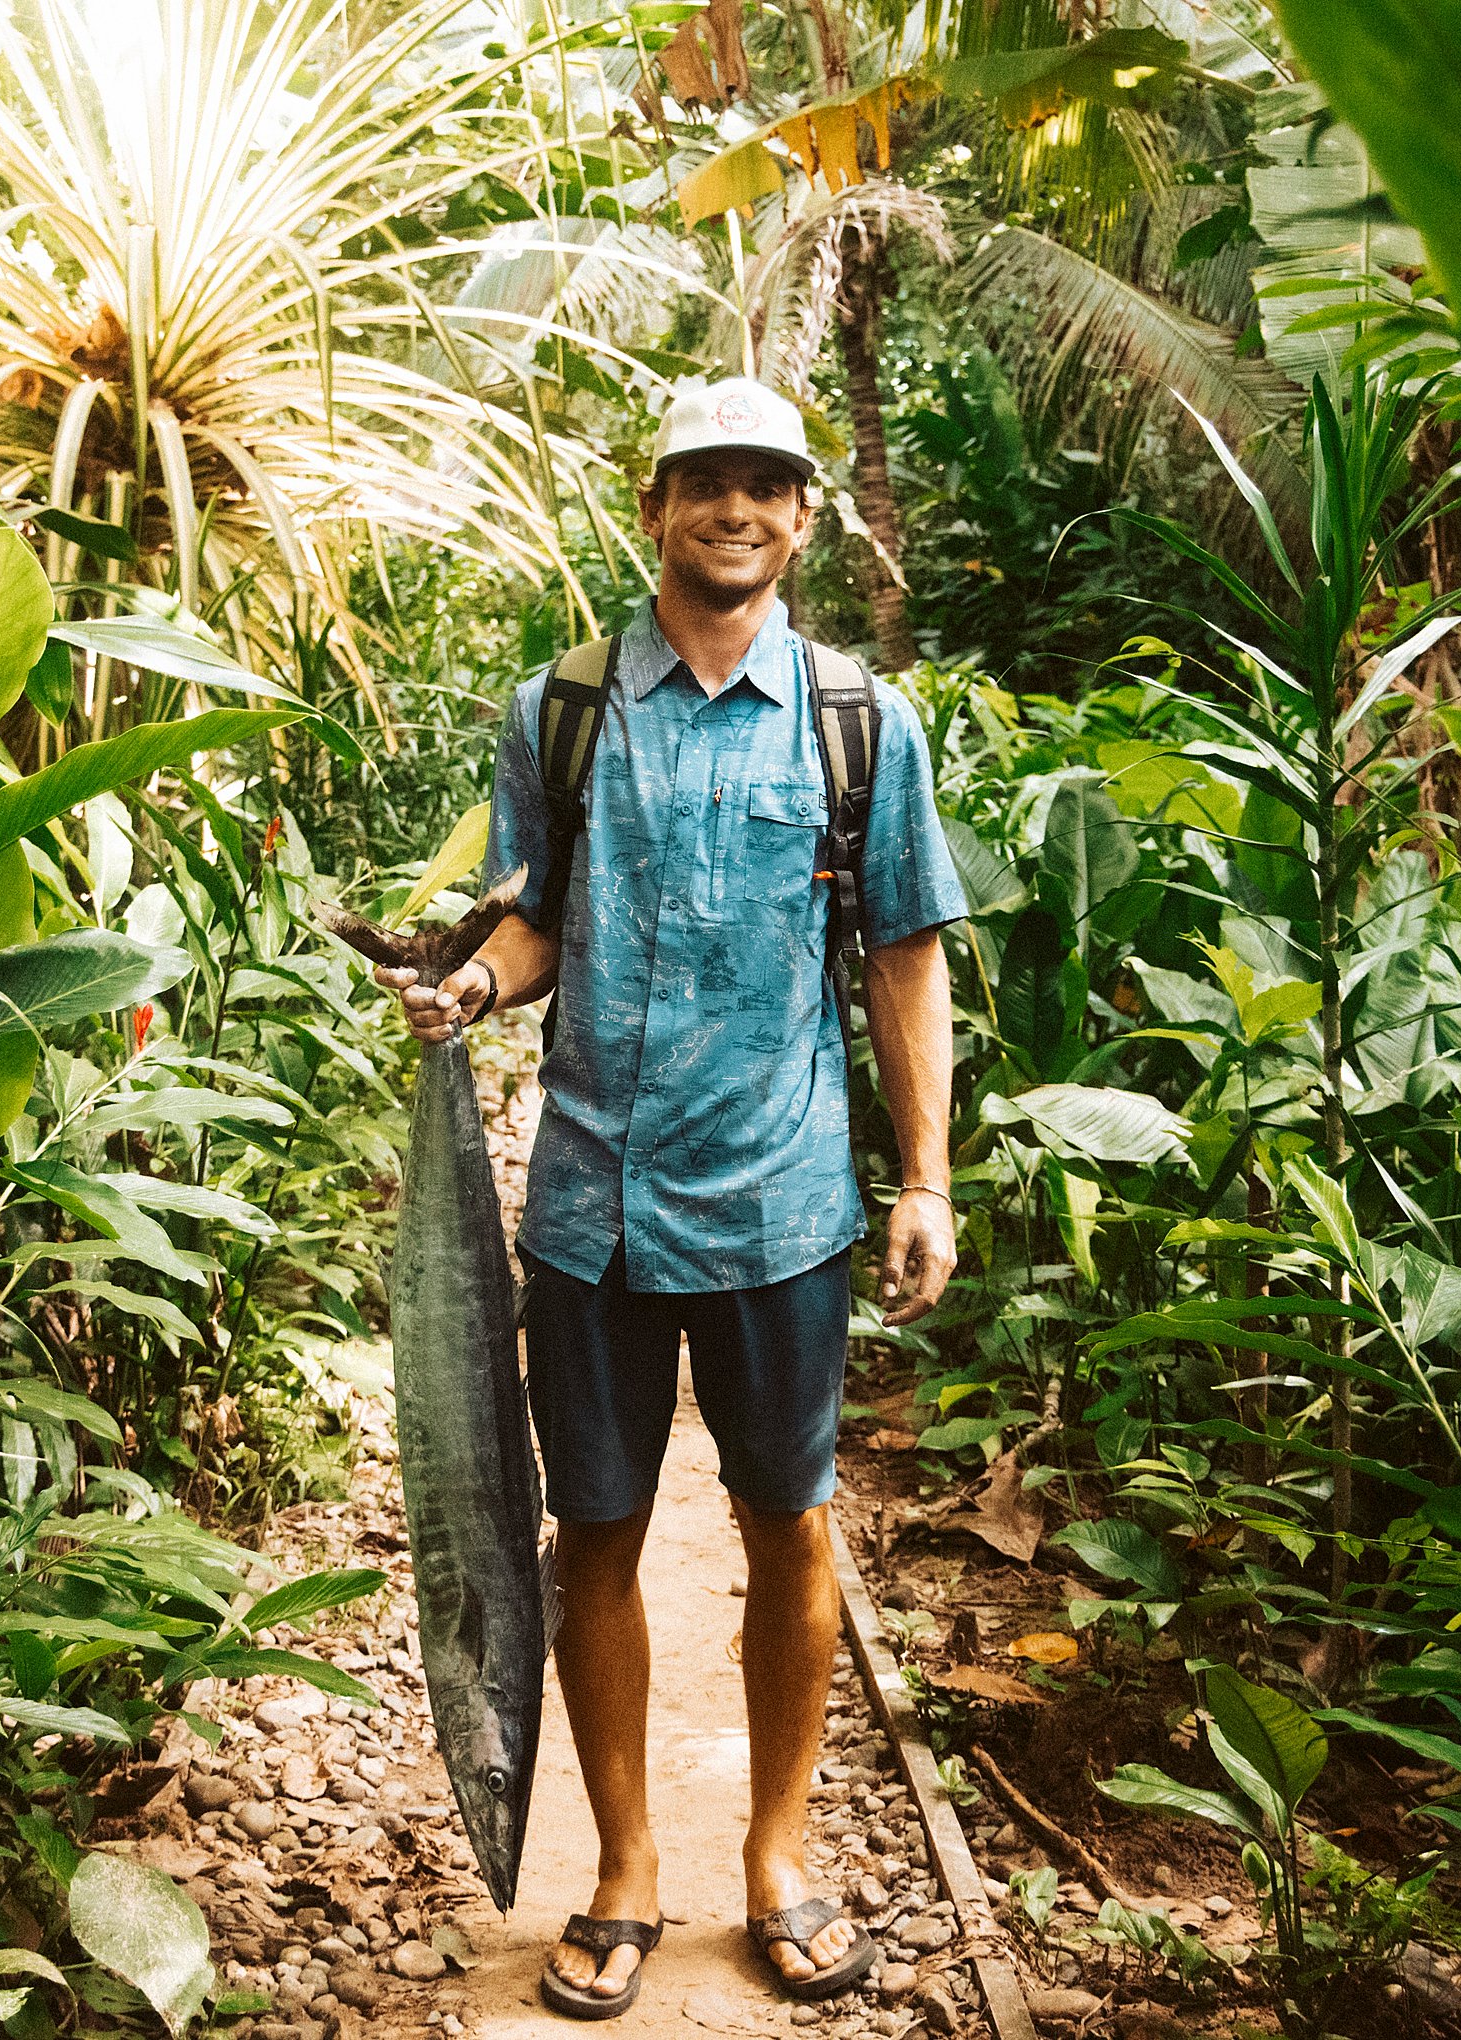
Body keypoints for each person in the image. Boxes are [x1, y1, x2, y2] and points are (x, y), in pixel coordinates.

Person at [375, 376, 966, 2019]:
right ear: (655, 508)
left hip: (783, 1202)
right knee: (603, 1532)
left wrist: (925, 1179)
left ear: (801, 518)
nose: (738, 510)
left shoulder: (857, 720)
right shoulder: (561, 709)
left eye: (768, 487)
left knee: (792, 1524)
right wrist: (473, 992)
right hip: (594, 1207)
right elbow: (535, 915)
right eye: (706, 482)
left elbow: (904, 957)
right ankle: (628, 1862)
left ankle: (774, 1859)